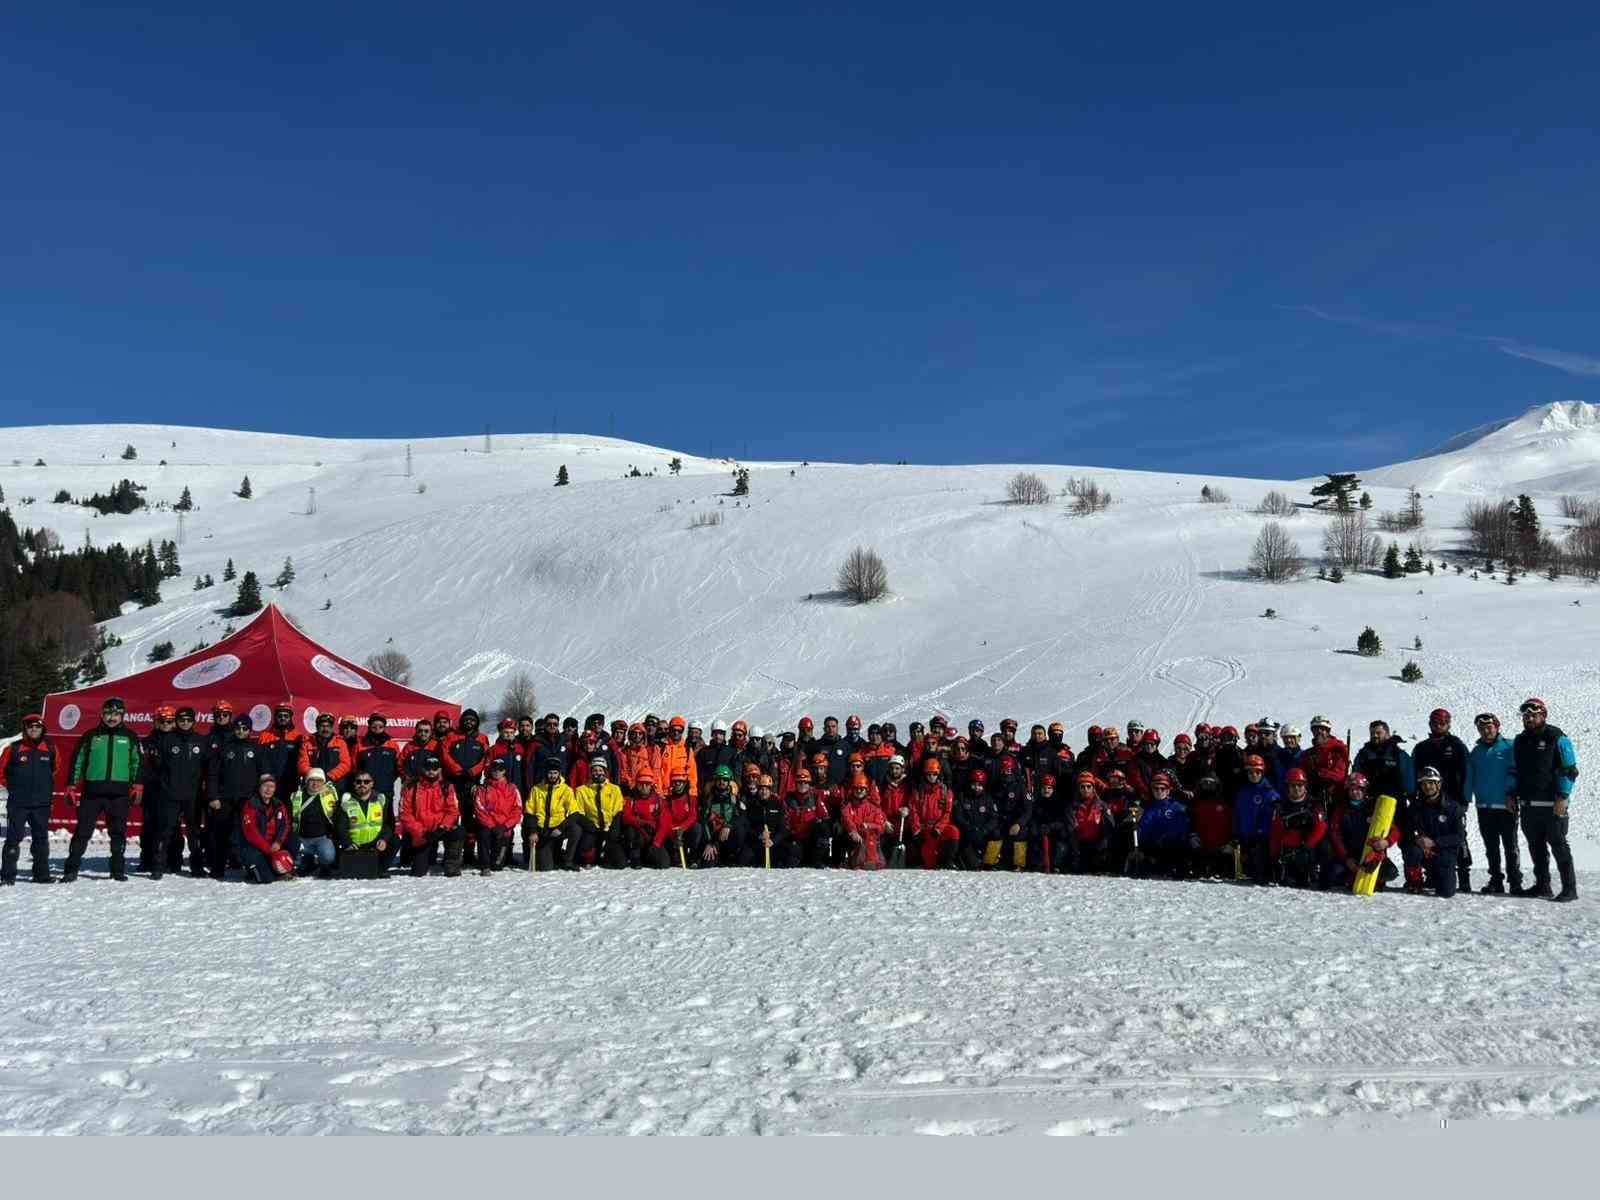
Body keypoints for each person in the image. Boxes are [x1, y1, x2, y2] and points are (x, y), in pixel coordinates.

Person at [62, 698, 144, 883]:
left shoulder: (130, 736)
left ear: (122, 715)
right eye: (108, 713)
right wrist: (71, 785)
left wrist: (137, 785)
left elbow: (137, 763)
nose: (112, 717)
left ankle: (117, 870)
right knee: (82, 832)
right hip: (93, 792)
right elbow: (78, 761)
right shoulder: (90, 735)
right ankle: (71, 869)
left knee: (118, 833)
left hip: (119, 794)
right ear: (102, 714)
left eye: (116, 714)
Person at [1511, 697, 1578, 901]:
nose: (1529, 718)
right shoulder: (1520, 740)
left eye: (1533, 715)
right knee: (1536, 847)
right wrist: (1512, 795)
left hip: (1552, 804)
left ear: (1543, 715)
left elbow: (1569, 770)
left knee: (1559, 846)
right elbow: (1516, 772)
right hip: (1529, 805)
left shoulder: (1557, 737)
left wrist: (1563, 797)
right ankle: (1542, 885)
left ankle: (1570, 889)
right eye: (1526, 715)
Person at [1412, 708, 1471, 892]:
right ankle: (1431, 875)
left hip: (1452, 799)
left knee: (1459, 839)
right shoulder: (1422, 747)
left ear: (1448, 724)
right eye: (1435, 723)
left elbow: (1467, 771)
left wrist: (1465, 798)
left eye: (1442, 723)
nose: (1439, 726)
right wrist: (1414, 795)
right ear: (1430, 724)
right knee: (1427, 834)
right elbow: (1414, 771)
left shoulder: (1456, 745)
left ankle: (1464, 876)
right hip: (1427, 798)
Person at [1466, 712, 1521, 894]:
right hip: (1484, 806)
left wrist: (1512, 794)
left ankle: (1515, 882)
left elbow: (1516, 772)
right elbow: (1470, 777)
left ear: (1497, 727)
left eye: (1489, 727)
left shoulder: (1509, 747)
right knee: (1491, 848)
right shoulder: (1476, 752)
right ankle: (1496, 880)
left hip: (1506, 805)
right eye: (1481, 728)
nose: (1485, 730)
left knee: (1510, 846)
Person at [203, 715, 262, 880]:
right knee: (221, 834)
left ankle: (251, 867)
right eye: (238, 728)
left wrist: (260, 798)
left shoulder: (256, 749)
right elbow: (213, 774)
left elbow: (263, 774)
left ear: (250, 730)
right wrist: (213, 796)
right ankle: (217, 869)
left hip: (248, 799)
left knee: (249, 834)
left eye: (245, 729)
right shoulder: (224, 748)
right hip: (225, 798)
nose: (241, 731)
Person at [1, 714, 56, 884]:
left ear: (42, 729)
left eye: (37, 726)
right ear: (25, 728)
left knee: (41, 839)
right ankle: (7, 876)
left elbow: (54, 770)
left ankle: (41, 875)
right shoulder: (14, 748)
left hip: (41, 804)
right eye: (30, 726)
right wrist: (14, 788)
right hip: (18, 804)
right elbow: (1, 772)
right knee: (13, 839)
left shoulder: (50, 749)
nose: (34, 729)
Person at [158, 705, 209, 877]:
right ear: (176, 721)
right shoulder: (167, 740)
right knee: (166, 831)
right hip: (171, 794)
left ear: (194, 721)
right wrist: (165, 790)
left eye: (188, 720)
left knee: (194, 832)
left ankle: (196, 867)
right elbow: (160, 768)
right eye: (181, 720)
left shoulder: (201, 741)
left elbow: (208, 768)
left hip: (192, 796)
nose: (185, 723)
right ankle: (159, 866)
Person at [1327, 772, 1398, 892]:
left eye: (1359, 789)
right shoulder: (1340, 810)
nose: (1355, 792)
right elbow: (1335, 836)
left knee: (1391, 872)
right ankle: (1351, 877)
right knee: (1333, 875)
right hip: (1350, 855)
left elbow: (1395, 830)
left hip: (1371, 855)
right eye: (1352, 789)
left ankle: (1374, 879)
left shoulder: (1374, 808)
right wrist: (1346, 859)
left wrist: (1386, 842)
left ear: (1365, 790)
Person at [400, 753, 462, 877]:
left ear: (440, 769)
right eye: (428, 768)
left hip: (441, 829)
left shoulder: (447, 786)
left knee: (458, 832)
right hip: (422, 832)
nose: (431, 771)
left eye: (435, 768)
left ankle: (451, 864)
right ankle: (423, 855)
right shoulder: (411, 787)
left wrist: (442, 827)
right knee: (418, 872)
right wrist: (421, 832)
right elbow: (405, 814)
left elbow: (453, 811)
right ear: (422, 768)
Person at [1410, 766, 1465, 898]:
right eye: (1424, 783)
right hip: (1424, 850)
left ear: (1438, 784)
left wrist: (1434, 843)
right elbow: (1406, 828)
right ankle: (1415, 882)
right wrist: (1418, 840)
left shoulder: (1453, 807)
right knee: (1411, 851)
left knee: (1446, 892)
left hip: (1444, 852)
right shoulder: (1416, 807)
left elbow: (1459, 836)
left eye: (1430, 783)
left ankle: (1435, 876)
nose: (1427, 787)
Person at [1269, 768, 1328, 888]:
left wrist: (1307, 846)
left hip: (1309, 849)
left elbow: (1321, 828)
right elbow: (1276, 833)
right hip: (1289, 851)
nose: (1296, 789)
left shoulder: (1314, 804)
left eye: (1299, 785)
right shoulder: (1281, 807)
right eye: (1293, 785)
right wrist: (1273, 856)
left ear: (1305, 786)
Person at [136, 705, 176, 874]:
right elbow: (138, 767)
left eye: (169, 721)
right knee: (148, 828)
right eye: (162, 721)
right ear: (155, 722)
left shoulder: (179, 741)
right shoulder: (146, 742)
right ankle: (146, 860)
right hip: (151, 792)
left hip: (171, 792)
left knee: (168, 828)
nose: (166, 724)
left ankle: (169, 861)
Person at [335, 770, 397, 875]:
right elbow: (340, 826)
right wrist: (348, 843)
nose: (362, 784)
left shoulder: (381, 800)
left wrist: (383, 839)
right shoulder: (347, 801)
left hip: (375, 843)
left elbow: (388, 824)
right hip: (355, 844)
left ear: (372, 783)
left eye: (366, 782)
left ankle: (380, 870)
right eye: (359, 782)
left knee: (395, 841)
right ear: (354, 784)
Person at [568, 757, 625, 868]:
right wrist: (590, 826)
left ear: (605, 772)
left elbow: (618, 810)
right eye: (595, 770)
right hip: (591, 829)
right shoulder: (581, 790)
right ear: (590, 772)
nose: (598, 773)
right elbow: (579, 812)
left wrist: (613, 829)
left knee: (620, 863)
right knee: (586, 857)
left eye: (600, 770)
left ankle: (607, 854)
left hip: (609, 829)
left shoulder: (615, 789)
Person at [239, 774, 297, 884]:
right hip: (256, 847)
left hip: (274, 845)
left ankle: (286, 867)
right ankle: (254, 869)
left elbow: (285, 825)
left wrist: (278, 842)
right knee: (266, 879)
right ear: (259, 787)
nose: (268, 789)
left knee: (293, 839)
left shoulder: (279, 805)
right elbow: (251, 833)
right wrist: (268, 849)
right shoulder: (251, 805)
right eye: (265, 786)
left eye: (272, 786)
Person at [1233, 754, 1279, 885]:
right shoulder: (1242, 792)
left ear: (1262, 772)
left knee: (1260, 872)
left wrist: (1262, 832)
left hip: (1263, 838)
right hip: (1245, 836)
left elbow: (1274, 818)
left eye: (1257, 772)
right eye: (1250, 772)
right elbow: (1237, 814)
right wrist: (1236, 833)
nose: (1254, 775)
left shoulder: (1269, 792)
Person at [473, 759, 523, 875]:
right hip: (488, 827)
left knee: (497, 866)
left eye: (500, 769)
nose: (497, 772)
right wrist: (492, 826)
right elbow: (479, 810)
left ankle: (498, 860)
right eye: (494, 769)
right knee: (483, 833)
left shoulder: (512, 788)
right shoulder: (482, 789)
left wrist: (505, 826)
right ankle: (484, 864)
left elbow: (518, 810)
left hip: (504, 829)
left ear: (504, 771)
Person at [288, 767, 340, 876]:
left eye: (319, 780)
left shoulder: (331, 795)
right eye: (312, 780)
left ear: (323, 782)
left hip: (322, 838)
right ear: (306, 782)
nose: (315, 784)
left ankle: (324, 866)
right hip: (302, 838)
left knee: (328, 856)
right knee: (296, 862)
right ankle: (308, 863)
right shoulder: (296, 796)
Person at [523, 762, 574, 871]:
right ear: (546, 773)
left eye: (555, 773)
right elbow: (529, 812)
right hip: (542, 830)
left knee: (576, 829)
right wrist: (533, 831)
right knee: (546, 867)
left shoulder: (566, 790)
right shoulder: (536, 789)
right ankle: (553, 853)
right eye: (550, 773)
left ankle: (568, 860)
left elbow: (575, 813)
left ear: (559, 773)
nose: (552, 776)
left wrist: (561, 828)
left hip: (558, 828)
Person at [699, 765, 751, 867]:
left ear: (729, 781)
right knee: (707, 864)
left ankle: (732, 855)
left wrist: (729, 825)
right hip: (715, 839)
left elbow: (743, 819)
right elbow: (704, 822)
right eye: (719, 779)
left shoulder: (735, 799)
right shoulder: (709, 800)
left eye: (725, 780)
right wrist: (710, 842)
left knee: (741, 829)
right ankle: (719, 857)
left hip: (730, 837)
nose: (722, 782)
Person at [781, 768, 832, 867]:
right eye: (800, 782)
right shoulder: (789, 799)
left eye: (805, 782)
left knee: (823, 828)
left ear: (809, 784)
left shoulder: (815, 797)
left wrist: (818, 822)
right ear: (796, 783)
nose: (803, 785)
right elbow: (784, 819)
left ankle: (819, 860)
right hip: (796, 838)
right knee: (791, 863)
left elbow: (825, 816)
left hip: (811, 838)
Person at [838, 773, 887, 869]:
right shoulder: (847, 807)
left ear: (866, 790)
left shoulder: (873, 808)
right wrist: (853, 831)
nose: (859, 791)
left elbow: (880, 826)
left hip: (870, 840)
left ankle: (871, 862)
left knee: (869, 836)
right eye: (856, 789)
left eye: (862, 789)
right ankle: (856, 861)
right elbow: (846, 820)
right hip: (854, 839)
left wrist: (869, 826)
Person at [257, 702, 305, 796]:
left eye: (286, 716)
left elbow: (301, 760)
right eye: (280, 716)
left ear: (291, 717)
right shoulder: (265, 736)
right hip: (269, 784)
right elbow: (259, 761)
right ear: (275, 717)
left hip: (290, 784)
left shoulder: (298, 737)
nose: (283, 718)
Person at [621, 775, 670, 867]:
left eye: (647, 784)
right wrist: (643, 823)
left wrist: (656, 842)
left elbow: (664, 825)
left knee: (664, 863)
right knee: (630, 829)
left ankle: (646, 855)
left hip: (653, 836)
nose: (644, 787)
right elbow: (626, 817)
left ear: (651, 785)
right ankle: (635, 857)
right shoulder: (631, 799)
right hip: (639, 834)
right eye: (641, 784)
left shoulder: (659, 801)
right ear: (637, 785)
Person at [300, 712, 352, 787]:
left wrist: (330, 776)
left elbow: (346, 764)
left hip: (334, 783)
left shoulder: (340, 742)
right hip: (313, 784)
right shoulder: (307, 743)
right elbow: (302, 764)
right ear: (317, 727)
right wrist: (316, 776)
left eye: (328, 726)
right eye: (322, 726)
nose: (325, 729)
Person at [750, 774, 787, 866]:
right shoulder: (752, 804)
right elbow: (747, 826)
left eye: (766, 789)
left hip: (773, 842)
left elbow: (783, 828)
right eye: (761, 789)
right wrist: (758, 835)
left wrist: (773, 841)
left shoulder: (778, 804)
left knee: (783, 860)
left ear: (770, 790)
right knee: (745, 859)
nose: (764, 792)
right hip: (757, 841)